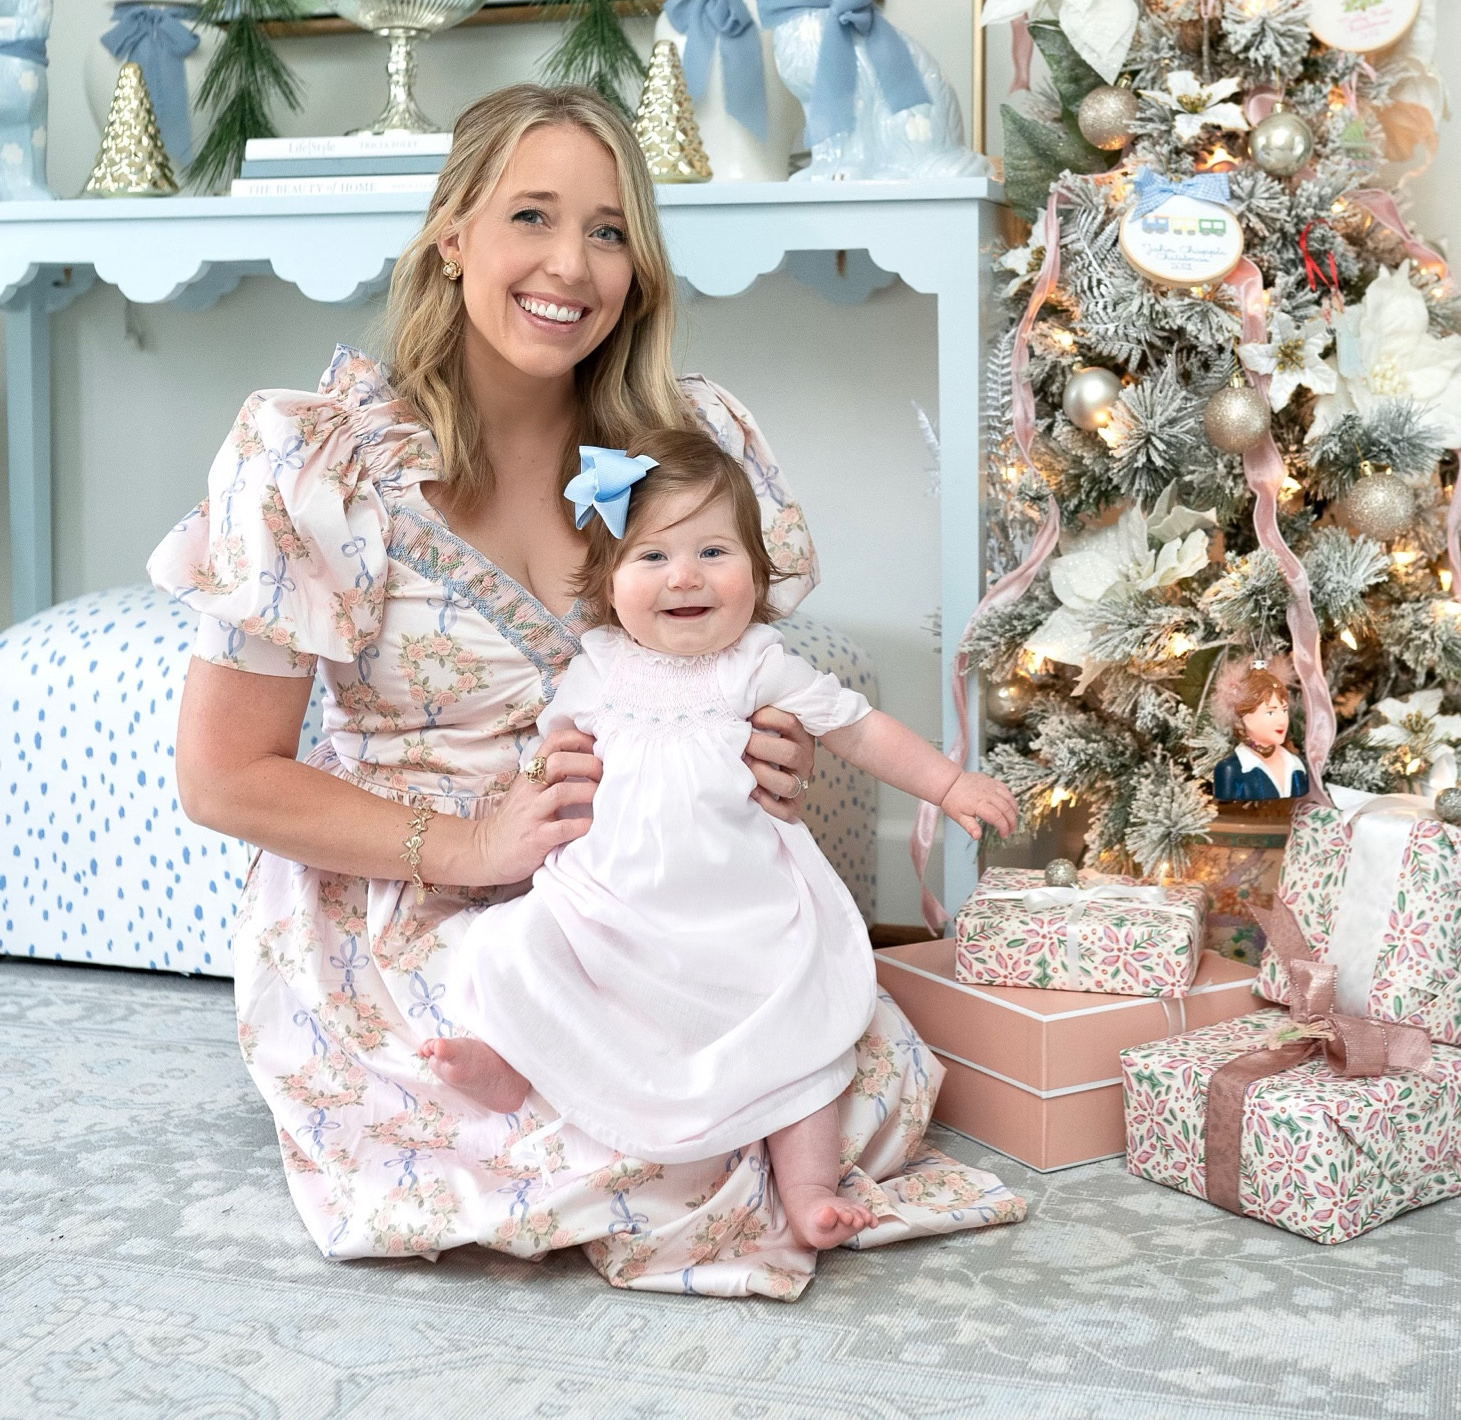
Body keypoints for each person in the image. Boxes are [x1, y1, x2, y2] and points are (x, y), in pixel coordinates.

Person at [152, 83, 1024, 1297]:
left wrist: (772, 752)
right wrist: (467, 844)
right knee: (632, 1152)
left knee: (846, 1075)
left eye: (610, 230)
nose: (573, 263)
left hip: (651, 896)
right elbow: (221, 774)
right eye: (532, 216)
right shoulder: (318, 461)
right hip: (416, 903)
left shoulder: (679, 451)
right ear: (452, 234)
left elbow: (730, 676)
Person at [428, 428, 1017, 1250]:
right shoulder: (595, 665)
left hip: (742, 913)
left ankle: (808, 1189)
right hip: (608, 904)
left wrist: (948, 783)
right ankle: (510, 1065)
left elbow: (860, 730)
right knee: (509, 946)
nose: (686, 576)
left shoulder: (757, 665)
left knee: (802, 1037)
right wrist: (535, 781)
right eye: (651, 557)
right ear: (605, 581)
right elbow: (549, 759)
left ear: (757, 573)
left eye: (713, 550)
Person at [1211, 657, 1309, 802]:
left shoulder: (1296, 765)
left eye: (1284, 710)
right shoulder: (1230, 770)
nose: (1282, 720)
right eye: (1270, 712)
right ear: (1244, 717)